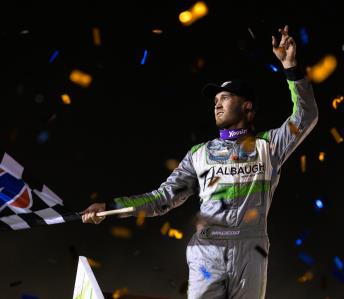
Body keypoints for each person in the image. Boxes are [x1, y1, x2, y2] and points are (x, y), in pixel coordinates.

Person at [82, 25, 318, 299]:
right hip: (208, 249)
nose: (217, 105)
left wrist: (290, 67)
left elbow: (306, 115)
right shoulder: (200, 153)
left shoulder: (271, 145)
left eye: (225, 98)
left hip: (252, 248)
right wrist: (110, 207)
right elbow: (163, 198)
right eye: (215, 100)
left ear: (247, 107)